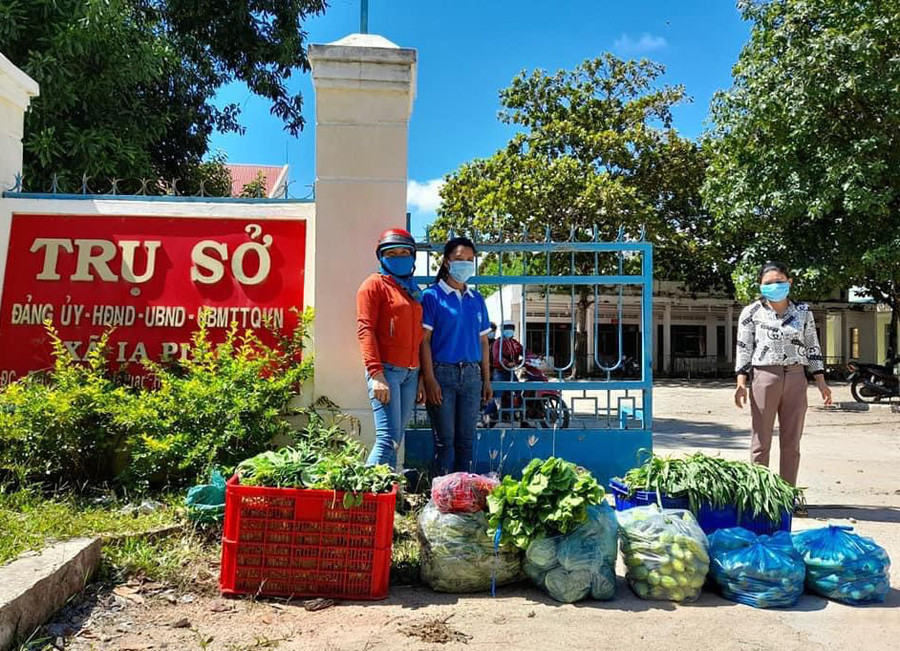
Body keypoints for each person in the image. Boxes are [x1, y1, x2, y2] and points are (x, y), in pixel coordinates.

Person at [734, 261, 833, 488]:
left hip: (797, 377)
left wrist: (821, 382)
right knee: (761, 440)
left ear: (789, 282)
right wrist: (741, 382)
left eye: (779, 281)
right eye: (768, 283)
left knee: (792, 441)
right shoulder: (751, 312)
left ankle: (787, 494)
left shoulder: (803, 312)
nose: (774, 286)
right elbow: (743, 348)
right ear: (760, 286)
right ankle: (760, 493)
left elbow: (812, 345)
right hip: (765, 376)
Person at [420, 237, 494, 475]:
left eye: (470, 260)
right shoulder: (432, 296)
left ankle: (464, 496)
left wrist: (487, 380)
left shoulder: (477, 299)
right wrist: (429, 379)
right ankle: (442, 499)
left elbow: (484, 342)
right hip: (443, 374)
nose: (465, 264)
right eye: (459, 259)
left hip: (472, 376)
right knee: (445, 441)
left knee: (466, 441)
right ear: (446, 262)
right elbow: (424, 341)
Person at [356, 228, 423, 469]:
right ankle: (361, 496)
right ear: (381, 257)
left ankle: (387, 497)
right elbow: (365, 330)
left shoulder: (413, 290)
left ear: (413, 257)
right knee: (386, 440)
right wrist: (376, 374)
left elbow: (419, 336)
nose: (399, 256)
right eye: (392, 253)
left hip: (411, 373)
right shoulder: (373, 286)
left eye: (405, 252)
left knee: (396, 439)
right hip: (386, 372)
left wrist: (421, 377)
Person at [492, 321, 524, 419]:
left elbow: (524, 351)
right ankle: (489, 417)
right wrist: (507, 363)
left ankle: (521, 417)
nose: (509, 330)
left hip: (510, 372)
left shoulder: (514, 343)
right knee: (498, 395)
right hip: (500, 371)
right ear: (502, 329)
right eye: (507, 327)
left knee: (519, 391)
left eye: (511, 327)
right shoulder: (498, 343)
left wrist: (534, 357)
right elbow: (497, 358)